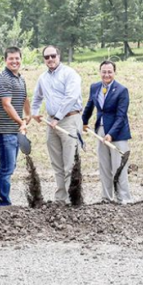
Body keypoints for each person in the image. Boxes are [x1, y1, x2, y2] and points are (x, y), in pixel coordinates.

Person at [30, 46, 83, 204]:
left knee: (70, 162)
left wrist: (58, 117)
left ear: (58, 56)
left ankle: (73, 198)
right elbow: (37, 97)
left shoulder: (70, 73)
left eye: (53, 56)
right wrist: (34, 112)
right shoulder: (43, 78)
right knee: (57, 163)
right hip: (51, 122)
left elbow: (71, 97)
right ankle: (61, 198)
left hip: (69, 120)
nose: (50, 59)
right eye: (47, 57)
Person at [83, 60, 133, 203]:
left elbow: (121, 115)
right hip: (100, 131)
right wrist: (83, 122)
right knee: (104, 165)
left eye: (109, 72)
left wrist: (111, 134)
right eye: (104, 72)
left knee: (119, 166)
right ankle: (106, 197)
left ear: (114, 73)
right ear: (100, 72)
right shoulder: (95, 87)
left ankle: (123, 198)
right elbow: (89, 106)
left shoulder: (122, 90)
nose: (106, 74)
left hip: (118, 133)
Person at [0, 47, 31, 206]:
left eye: (17, 58)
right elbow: (6, 105)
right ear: (5, 60)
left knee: (11, 166)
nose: (14, 61)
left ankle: (4, 201)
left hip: (15, 130)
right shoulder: (3, 79)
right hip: (5, 130)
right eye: (11, 59)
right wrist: (21, 122)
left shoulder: (20, 78)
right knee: (7, 168)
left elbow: (25, 98)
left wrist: (28, 114)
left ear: (21, 59)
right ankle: (2, 203)